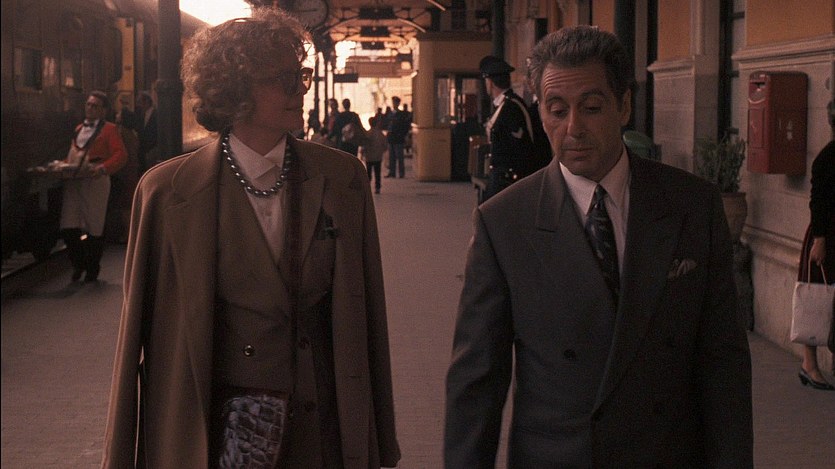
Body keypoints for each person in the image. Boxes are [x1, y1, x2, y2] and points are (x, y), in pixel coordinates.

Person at [101, 8, 401, 468]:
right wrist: (121, 454)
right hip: (215, 433)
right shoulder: (166, 192)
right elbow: (136, 336)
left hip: (320, 430)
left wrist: (378, 438)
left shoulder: (343, 179)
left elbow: (369, 318)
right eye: (284, 79)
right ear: (235, 90)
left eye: (302, 76)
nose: (300, 90)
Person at [445, 26, 753, 468]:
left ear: (623, 105)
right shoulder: (504, 222)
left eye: (591, 108)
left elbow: (723, 363)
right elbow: (477, 381)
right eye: (556, 110)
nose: (573, 128)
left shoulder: (691, 205)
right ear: (541, 112)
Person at [60, 91, 127, 282]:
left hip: (96, 180)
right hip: (75, 181)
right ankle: (79, 263)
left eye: (95, 106)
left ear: (103, 110)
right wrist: (62, 165)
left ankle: (92, 269)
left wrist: (103, 168)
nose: (90, 108)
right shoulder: (78, 129)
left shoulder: (110, 130)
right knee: (68, 225)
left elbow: (121, 155)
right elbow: (74, 155)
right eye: (88, 105)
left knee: (94, 225)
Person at [795, 99, 835, 391]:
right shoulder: (828, 158)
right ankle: (809, 364)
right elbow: (818, 201)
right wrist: (820, 239)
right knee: (814, 296)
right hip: (827, 237)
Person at [478, 55, 536, 201]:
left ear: (490, 82)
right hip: (500, 177)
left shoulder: (512, 107)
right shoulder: (504, 105)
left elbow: (520, 147)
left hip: (508, 180)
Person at [360, 116, 387, 194]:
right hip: (378, 156)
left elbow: (364, 144)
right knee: (377, 172)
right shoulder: (380, 133)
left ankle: (367, 188)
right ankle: (377, 187)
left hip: (369, 156)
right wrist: (382, 150)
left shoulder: (367, 133)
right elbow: (385, 144)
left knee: (368, 173)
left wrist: (362, 153)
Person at [385, 96, 411, 178]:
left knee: (400, 157)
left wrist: (402, 135)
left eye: (395, 102)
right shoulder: (390, 114)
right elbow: (387, 124)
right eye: (393, 102)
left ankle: (401, 173)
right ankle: (392, 172)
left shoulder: (401, 114)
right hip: (391, 138)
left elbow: (405, 126)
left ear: (398, 103)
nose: (394, 104)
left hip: (398, 138)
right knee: (391, 157)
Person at [134, 91, 158, 173]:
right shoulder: (141, 114)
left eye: (139, 102)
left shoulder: (156, 114)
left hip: (152, 150)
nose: (138, 105)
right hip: (142, 150)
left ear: (147, 102)